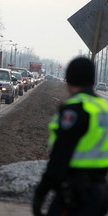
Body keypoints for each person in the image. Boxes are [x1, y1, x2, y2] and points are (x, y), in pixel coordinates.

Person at [33, 57, 108, 216]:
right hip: (101, 189)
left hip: (75, 190)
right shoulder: (104, 108)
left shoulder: (75, 108)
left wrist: (41, 192)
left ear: (69, 78)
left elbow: (61, 152)